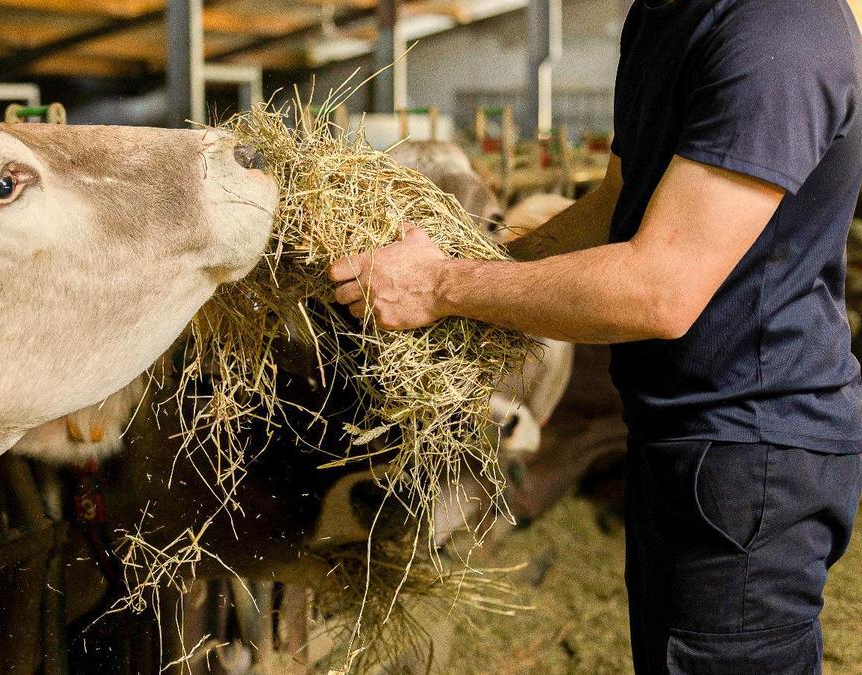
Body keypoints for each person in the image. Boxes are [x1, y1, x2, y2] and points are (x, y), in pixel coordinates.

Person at [328, 1, 862, 672]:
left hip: (752, 450)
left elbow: (661, 288)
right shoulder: (661, 16)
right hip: (681, 435)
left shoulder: (775, 28)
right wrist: (473, 259)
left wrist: (441, 286)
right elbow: (618, 199)